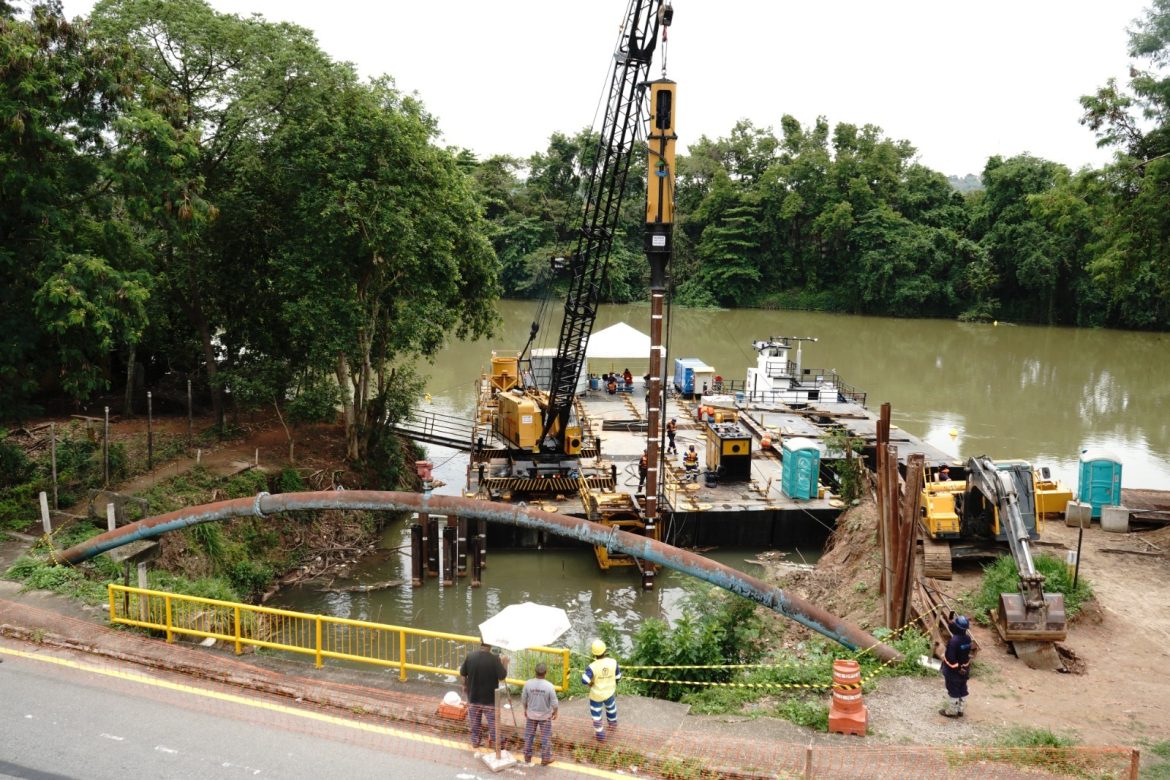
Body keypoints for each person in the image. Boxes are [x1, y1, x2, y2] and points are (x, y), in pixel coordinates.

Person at [459, 638, 509, 749]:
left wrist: (465, 685)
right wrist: (505, 663)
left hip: (473, 697)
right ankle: (498, 743)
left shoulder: (470, 656)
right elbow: (502, 676)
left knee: (475, 722)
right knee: (493, 723)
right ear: (490, 644)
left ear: (481, 642)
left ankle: (475, 742)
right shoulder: (494, 659)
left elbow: (463, 674)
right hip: (489, 699)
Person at [581, 639, 621, 741]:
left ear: (593, 654)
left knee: (596, 715)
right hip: (609, 692)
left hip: (596, 695)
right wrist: (613, 684)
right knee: (611, 709)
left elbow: (584, 680)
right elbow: (618, 677)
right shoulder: (613, 662)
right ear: (605, 650)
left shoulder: (592, 667)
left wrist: (591, 683)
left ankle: (600, 735)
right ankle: (612, 725)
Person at [521, 662, 559, 766]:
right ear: (545, 672)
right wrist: (555, 712)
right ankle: (545, 758)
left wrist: (525, 709)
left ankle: (527, 757)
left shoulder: (528, 684)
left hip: (531, 715)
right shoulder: (549, 686)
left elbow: (523, 699)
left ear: (535, 672)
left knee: (529, 736)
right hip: (545, 717)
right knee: (545, 737)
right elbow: (554, 703)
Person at [940, 614, 972, 718]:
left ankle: (951, 712)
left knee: (952, 690)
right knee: (962, 688)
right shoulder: (968, 639)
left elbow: (950, 658)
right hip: (965, 669)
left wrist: (957, 668)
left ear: (956, 627)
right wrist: (962, 668)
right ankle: (960, 710)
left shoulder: (953, 641)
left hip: (954, 671)